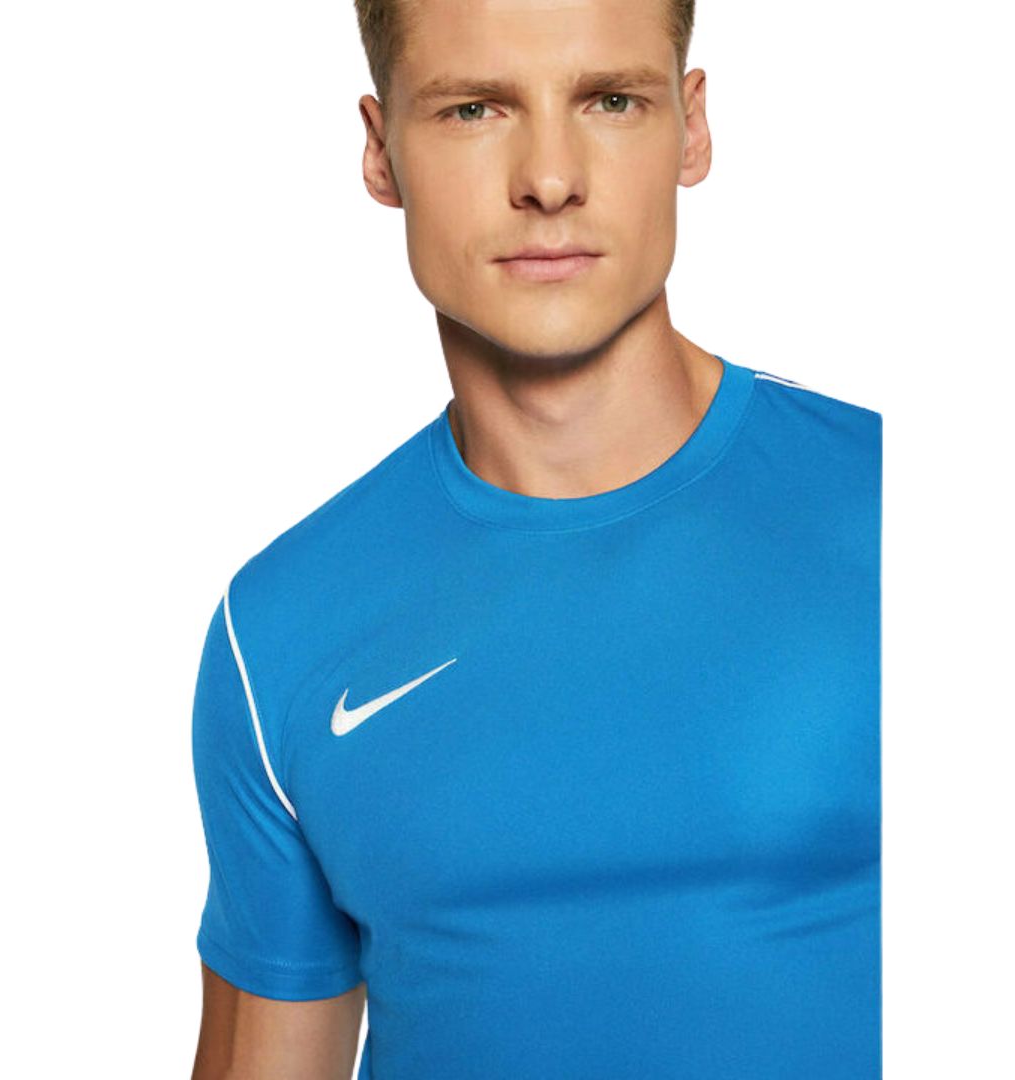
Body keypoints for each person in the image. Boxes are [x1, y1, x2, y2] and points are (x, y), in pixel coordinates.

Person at [190, 0, 882, 1076]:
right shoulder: (276, 630)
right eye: (475, 109)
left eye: (610, 101)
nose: (551, 180)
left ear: (691, 128)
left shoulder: (914, 515)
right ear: (381, 153)